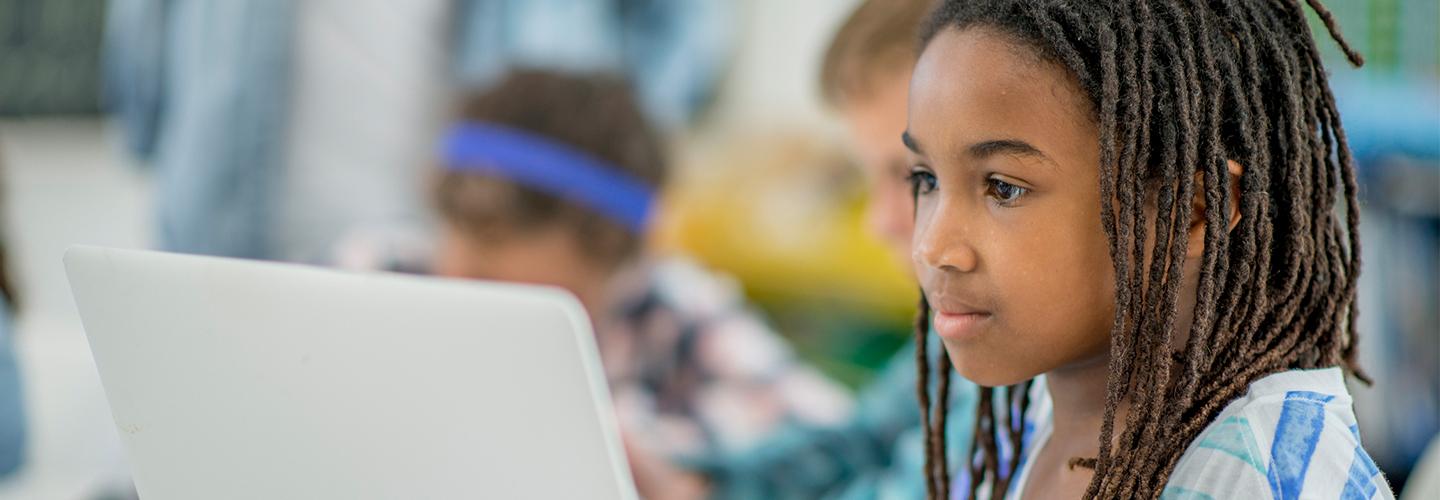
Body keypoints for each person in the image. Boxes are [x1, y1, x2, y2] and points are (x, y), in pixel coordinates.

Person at [906, 1, 1394, 498]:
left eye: (1003, 187)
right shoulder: (1035, 412)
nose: (931, 247)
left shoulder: (1258, 476)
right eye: (925, 178)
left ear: (1196, 211)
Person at [428, 71, 852, 494]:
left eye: (493, 240)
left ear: (604, 235)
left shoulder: (678, 315)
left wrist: (671, 469)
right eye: (449, 227)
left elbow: (839, 443)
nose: (457, 267)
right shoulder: (387, 272)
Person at [627, 2, 981, 498]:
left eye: (914, 176)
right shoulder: (945, 335)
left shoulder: (1019, 357)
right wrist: (693, 483)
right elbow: (864, 443)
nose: (879, 222)